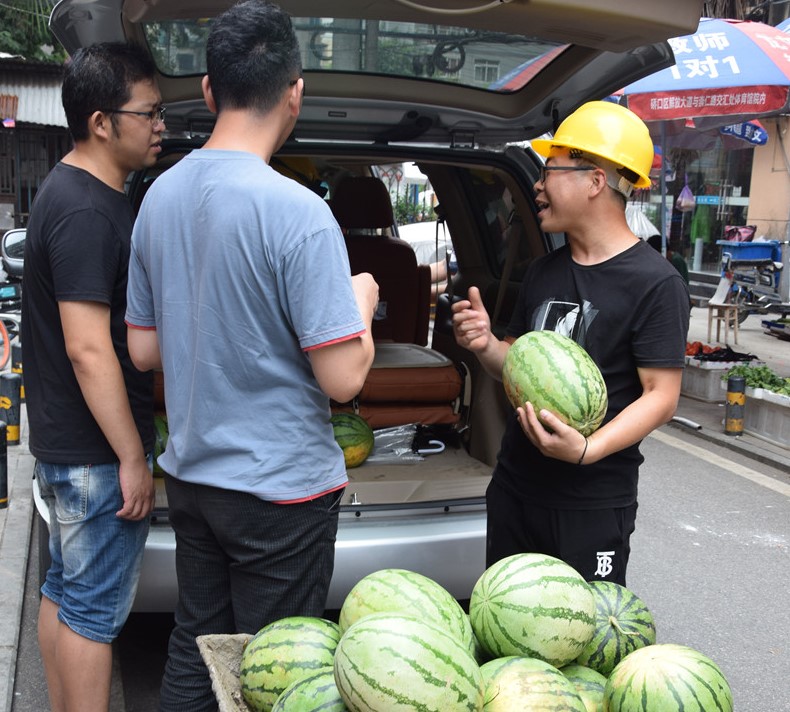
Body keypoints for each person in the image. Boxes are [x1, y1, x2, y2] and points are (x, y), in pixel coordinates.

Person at [124, 2, 378, 709]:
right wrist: (360, 298)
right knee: (279, 669)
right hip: (281, 492)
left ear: (207, 91)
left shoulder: (157, 197)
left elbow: (142, 351)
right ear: (295, 91)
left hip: (197, 478)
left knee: (195, 642)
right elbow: (343, 376)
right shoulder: (298, 213)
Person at [452, 101, 689, 586]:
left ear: (595, 180)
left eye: (549, 172)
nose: (537, 186)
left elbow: (661, 398)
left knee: (583, 642)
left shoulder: (655, 283)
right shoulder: (541, 272)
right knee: (507, 630)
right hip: (517, 487)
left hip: (591, 501)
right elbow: (514, 364)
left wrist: (587, 449)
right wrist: (484, 344)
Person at [20, 42, 162, 712]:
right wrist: (132, 455)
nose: (160, 125)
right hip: (94, 453)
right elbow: (87, 348)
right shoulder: (84, 208)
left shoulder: (80, 191)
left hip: (70, 445)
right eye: (149, 113)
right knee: (93, 614)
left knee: (66, 593)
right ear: (103, 121)